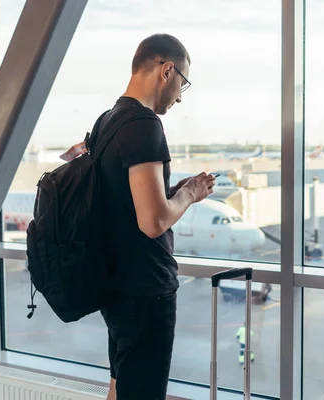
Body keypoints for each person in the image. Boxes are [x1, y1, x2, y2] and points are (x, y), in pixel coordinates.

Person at [90, 34, 215, 400]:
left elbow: (124, 202)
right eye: (182, 85)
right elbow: (153, 221)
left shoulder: (107, 121)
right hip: (145, 290)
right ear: (167, 70)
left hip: (114, 285)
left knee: (121, 386)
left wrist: (172, 189)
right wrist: (191, 194)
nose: (179, 97)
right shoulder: (144, 125)